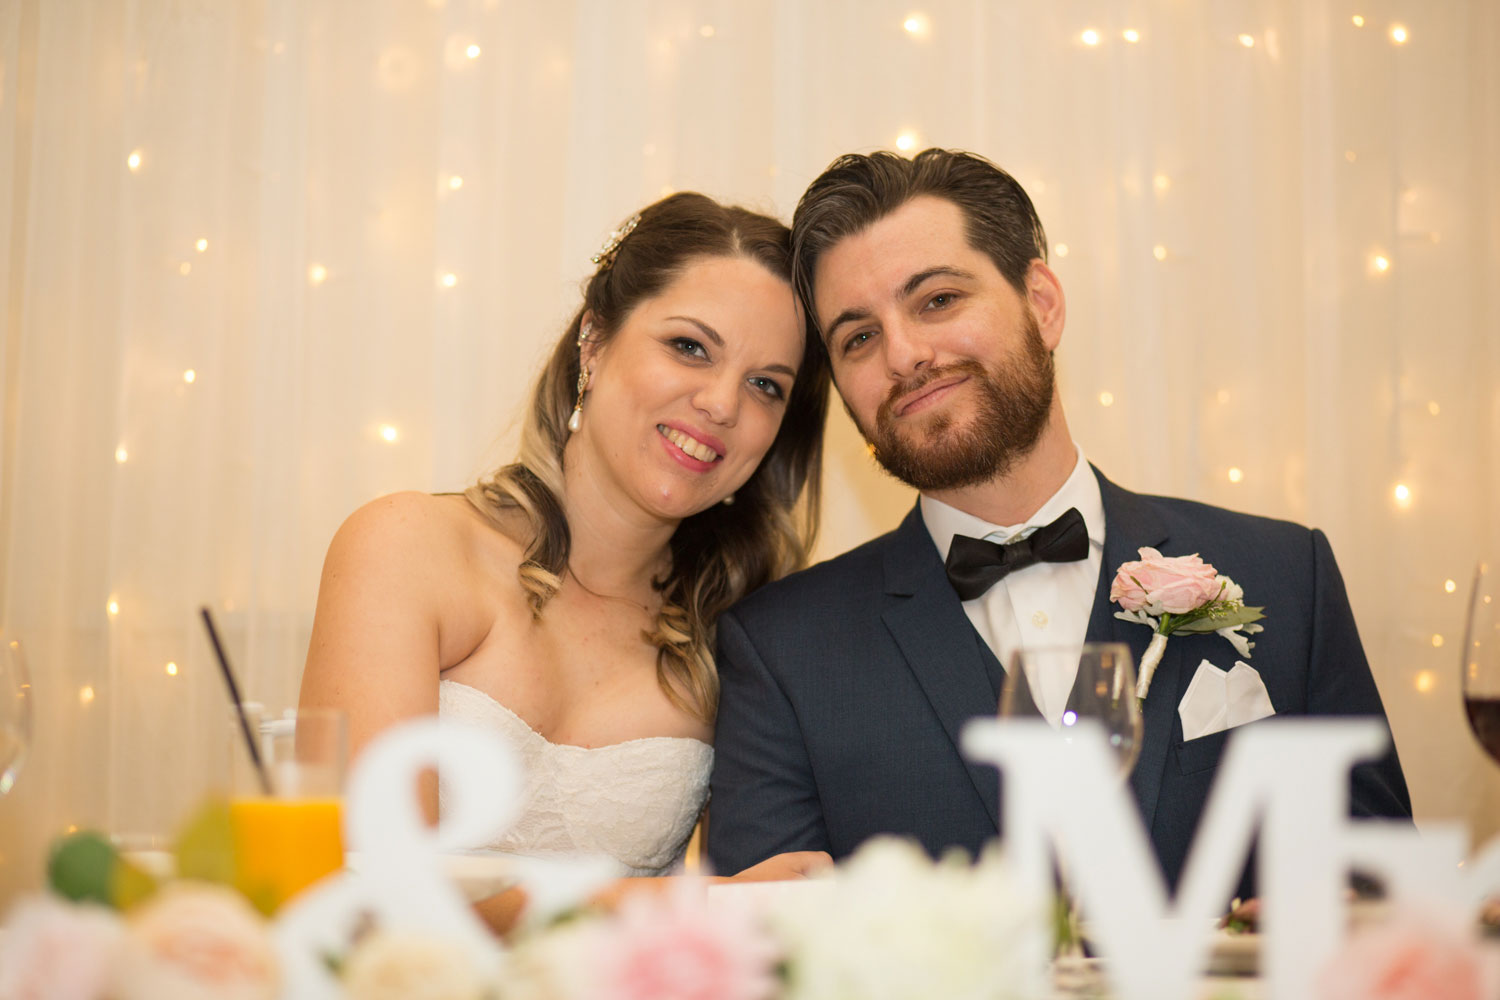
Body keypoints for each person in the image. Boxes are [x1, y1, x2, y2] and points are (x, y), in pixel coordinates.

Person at [706, 149, 1412, 902]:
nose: (906, 355)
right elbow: (765, 956)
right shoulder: (779, 649)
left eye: (939, 299)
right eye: (858, 338)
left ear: (1041, 302)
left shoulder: (1285, 572)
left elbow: (1379, 894)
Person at [299, 192, 832, 928]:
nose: (720, 403)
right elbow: (372, 891)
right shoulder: (407, 546)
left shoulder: (743, 637)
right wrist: (695, 905)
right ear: (594, 340)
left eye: (765, 385)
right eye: (689, 347)